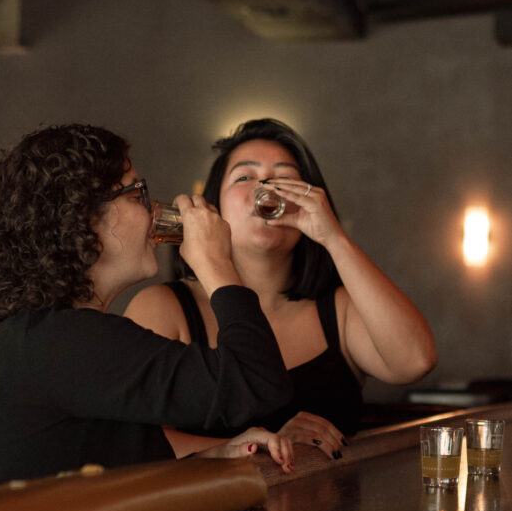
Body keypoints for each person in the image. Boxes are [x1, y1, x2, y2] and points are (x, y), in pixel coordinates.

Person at [0, 123, 295, 491]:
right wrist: (216, 263)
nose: (154, 209)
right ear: (85, 219)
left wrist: (215, 455)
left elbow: (108, 466)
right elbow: (257, 382)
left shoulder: (44, 337)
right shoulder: (61, 341)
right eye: (138, 194)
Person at [125, 118, 438, 460]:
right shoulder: (165, 307)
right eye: (245, 177)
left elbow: (415, 360)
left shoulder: (338, 308)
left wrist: (332, 237)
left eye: (285, 179)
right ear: (214, 208)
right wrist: (257, 448)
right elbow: (129, 440)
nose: (267, 188)